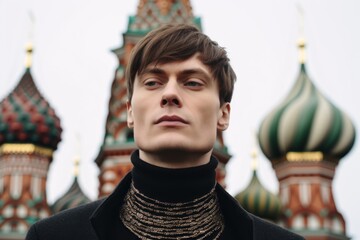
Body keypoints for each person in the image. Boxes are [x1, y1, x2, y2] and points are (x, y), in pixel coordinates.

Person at [26, 24, 304, 240]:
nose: (170, 94)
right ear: (130, 112)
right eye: (153, 82)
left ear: (223, 114)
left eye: (193, 82)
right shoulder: (55, 236)